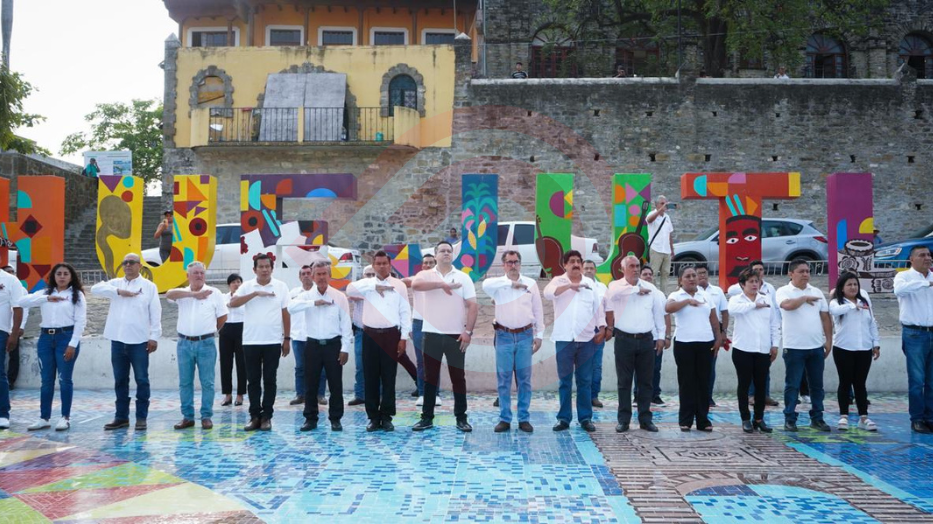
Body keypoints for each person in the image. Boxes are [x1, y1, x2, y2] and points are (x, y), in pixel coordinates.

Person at [411, 241, 478, 432]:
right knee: (430, 378)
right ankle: (426, 418)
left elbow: (473, 305)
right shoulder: (425, 275)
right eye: (442, 251)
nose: (446, 253)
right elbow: (415, 285)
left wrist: (468, 332)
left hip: (455, 335)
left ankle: (461, 418)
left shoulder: (463, 277)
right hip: (431, 334)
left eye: (449, 251)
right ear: (435, 255)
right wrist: (442, 284)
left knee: (458, 378)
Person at [91, 253, 162, 431]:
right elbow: (95, 289)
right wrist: (118, 292)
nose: (128, 265)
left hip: (139, 341)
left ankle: (141, 418)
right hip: (117, 340)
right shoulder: (115, 283)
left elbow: (156, 313)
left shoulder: (149, 286)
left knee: (142, 380)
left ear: (140, 266)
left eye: (131, 262)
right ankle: (121, 417)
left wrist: (154, 337)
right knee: (120, 380)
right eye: (125, 262)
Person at [348, 251, 411, 432]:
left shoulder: (399, 285)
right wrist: (374, 286)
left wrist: (403, 338)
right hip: (370, 335)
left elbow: (405, 311)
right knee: (370, 377)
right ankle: (373, 417)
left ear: (390, 265)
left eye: (385, 263)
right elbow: (350, 289)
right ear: (374, 265)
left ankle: (387, 416)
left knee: (389, 377)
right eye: (378, 263)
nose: (382, 266)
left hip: (391, 335)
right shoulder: (366, 284)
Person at [544, 251, 606, 432]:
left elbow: (598, 309)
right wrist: (570, 286)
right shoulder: (558, 281)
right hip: (564, 339)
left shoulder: (590, 284)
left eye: (578, 261)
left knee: (585, 381)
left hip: (586, 340)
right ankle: (563, 419)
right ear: (565, 265)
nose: (576, 264)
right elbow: (548, 293)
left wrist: (602, 328)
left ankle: (585, 418)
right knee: (565, 381)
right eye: (572, 261)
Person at [17, 264, 84, 431]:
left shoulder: (76, 295)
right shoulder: (44, 293)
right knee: (46, 380)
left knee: (64, 379)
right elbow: (22, 302)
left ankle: (65, 417)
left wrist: (72, 344)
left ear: (71, 276)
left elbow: (80, 321)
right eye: (58, 273)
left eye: (66, 274)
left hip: (66, 337)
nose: (62, 277)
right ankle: (44, 417)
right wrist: (46, 299)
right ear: (53, 276)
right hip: (46, 338)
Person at [483, 250, 544, 433]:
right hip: (504, 335)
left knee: (524, 379)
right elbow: (485, 284)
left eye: (516, 262)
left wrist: (539, 335)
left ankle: (524, 418)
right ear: (503, 265)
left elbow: (538, 310)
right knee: (504, 379)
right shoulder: (497, 285)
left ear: (520, 263)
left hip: (525, 335)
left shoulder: (531, 283)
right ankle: (505, 418)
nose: (513, 265)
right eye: (509, 262)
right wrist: (511, 284)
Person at [229, 253, 290, 432]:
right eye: (261, 267)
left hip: (273, 341)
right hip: (251, 341)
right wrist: (255, 293)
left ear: (272, 268)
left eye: (267, 266)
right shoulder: (247, 286)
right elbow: (233, 303)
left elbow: (286, 313)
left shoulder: (281, 286)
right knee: (253, 381)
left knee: (270, 380)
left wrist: (287, 338)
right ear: (254, 269)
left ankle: (266, 417)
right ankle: (254, 416)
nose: (264, 270)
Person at [288, 261, 352, 432]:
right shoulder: (306, 296)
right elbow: (291, 308)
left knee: (335, 384)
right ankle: (310, 419)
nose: (322, 277)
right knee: (310, 384)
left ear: (329, 276)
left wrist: (345, 348)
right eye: (318, 274)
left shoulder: (339, 296)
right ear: (313, 276)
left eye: (324, 274)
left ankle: (335, 419)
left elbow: (346, 323)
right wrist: (313, 303)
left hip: (333, 345)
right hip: (312, 345)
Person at [605, 256, 666, 433]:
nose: (636, 269)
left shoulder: (651, 288)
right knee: (624, 382)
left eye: (637, 266)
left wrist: (661, 337)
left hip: (646, 339)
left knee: (646, 382)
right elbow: (612, 296)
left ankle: (645, 419)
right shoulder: (615, 285)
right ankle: (624, 420)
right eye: (631, 266)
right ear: (623, 269)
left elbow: (658, 314)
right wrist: (634, 290)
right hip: (624, 339)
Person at [166, 262, 227, 430]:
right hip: (184, 344)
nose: (199, 275)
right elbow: (168, 294)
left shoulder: (214, 293)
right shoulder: (182, 293)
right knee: (185, 382)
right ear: (188, 276)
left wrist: (211, 331)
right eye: (195, 273)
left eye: (202, 273)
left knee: (207, 382)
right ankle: (187, 417)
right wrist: (194, 295)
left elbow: (223, 316)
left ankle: (206, 416)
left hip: (206, 343)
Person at [777, 259, 832, 432]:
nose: (805, 274)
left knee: (817, 386)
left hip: (815, 346)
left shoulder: (816, 292)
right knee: (792, 385)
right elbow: (787, 305)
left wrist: (829, 340)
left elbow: (825, 317)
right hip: (794, 347)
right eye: (801, 271)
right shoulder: (783, 291)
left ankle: (817, 418)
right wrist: (804, 298)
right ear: (791, 273)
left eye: (807, 271)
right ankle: (790, 418)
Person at [666, 266, 722, 431]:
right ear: (680, 280)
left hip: (705, 343)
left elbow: (713, 318)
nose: (692, 279)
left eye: (694, 276)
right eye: (688, 276)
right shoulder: (676, 295)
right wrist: (687, 301)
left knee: (704, 382)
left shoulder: (705, 295)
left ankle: (703, 420)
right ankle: (686, 419)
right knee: (687, 382)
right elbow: (668, 308)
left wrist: (718, 337)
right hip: (684, 343)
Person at [728, 268, 780, 433]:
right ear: (742, 284)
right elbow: (733, 310)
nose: (754, 284)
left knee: (761, 385)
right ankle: (745, 418)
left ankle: (759, 418)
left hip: (762, 349)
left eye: (756, 281)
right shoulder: (737, 299)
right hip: (743, 348)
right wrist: (753, 305)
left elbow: (774, 324)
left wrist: (775, 345)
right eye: (751, 281)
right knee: (744, 385)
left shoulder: (766, 299)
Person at [830, 271, 880, 431]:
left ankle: (863, 417)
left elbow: (872, 322)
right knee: (845, 382)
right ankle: (843, 416)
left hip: (864, 348)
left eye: (855, 284)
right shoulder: (836, 303)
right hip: (843, 348)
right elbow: (835, 311)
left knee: (860, 383)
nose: (853, 287)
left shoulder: (864, 301)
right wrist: (853, 306)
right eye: (849, 284)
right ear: (842, 288)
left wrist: (876, 343)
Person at [893, 245, 933, 433]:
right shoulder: (904, 276)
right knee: (917, 379)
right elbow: (899, 291)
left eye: (929, 255)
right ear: (912, 259)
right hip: (914, 333)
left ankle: (930, 417)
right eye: (922, 255)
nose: (927, 258)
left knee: (932, 380)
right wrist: (926, 284)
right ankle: (917, 418)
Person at [288, 265, 328, 408]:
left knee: (321, 367)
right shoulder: (293, 293)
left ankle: (320, 394)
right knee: (300, 367)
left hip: (316, 335)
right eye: (303, 273)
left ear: (312, 276)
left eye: (308, 273)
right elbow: (290, 309)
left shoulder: (320, 292)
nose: (306, 275)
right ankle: (300, 394)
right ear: (299, 277)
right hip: (298, 335)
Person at [406, 254, 442, 407]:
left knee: (434, 360)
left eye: (431, 263)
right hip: (419, 323)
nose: (427, 265)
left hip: (435, 322)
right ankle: (422, 393)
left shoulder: (440, 280)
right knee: (421, 361)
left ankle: (435, 394)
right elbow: (403, 282)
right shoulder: (417, 279)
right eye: (425, 263)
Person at [634, 265, 671, 405]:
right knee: (639, 369)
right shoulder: (634, 292)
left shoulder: (659, 294)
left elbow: (666, 316)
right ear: (640, 276)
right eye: (645, 274)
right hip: (640, 337)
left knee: (656, 368)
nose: (648, 276)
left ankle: (655, 395)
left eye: (650, 274)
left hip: (656, 338)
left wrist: (667, 336)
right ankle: (637, 395)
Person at [696, 264, 729, 407]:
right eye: (699, 273)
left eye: (704, 273)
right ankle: (695, 396)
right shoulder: (691, 292)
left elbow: (724, 312)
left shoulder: (717, 291)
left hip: (714, 333)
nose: (702, 276)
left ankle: (708, 397)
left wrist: (723, 332)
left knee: (710, 366)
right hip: (697, 332)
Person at [347, 265, 375, 406]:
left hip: (377, 332)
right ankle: (360, 395)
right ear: (363, 276)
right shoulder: (357, 288)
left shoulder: (379, 289)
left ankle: (377, 395)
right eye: (367, 274)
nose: (370, 277)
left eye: (372, 275)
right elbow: (350, 295)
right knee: (360, 365)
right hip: (360, 331)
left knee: (377, 365)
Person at [582, 260, 608, 408]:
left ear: (595, 270)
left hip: (598, 330)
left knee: (596, 365)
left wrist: (608, 328)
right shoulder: (577, 287)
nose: (588, 271)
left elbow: (608, 308)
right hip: (582, 331)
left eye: (591, 268)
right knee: (582, 365)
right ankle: (583, 396)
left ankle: (594, 396)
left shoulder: (603, 287)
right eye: (586, 268)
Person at [219, 273, 245, 407]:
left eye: (238, 282)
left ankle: (240, 394)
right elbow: (222, 307)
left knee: (242, 363)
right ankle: (227, 394)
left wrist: (232, 304)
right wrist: (230, 303)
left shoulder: (245, 298)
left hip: (242, 329)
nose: (236, 284)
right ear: (229, 285)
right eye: (233, 282)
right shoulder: (223, 297)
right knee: (225, 363)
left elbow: (233, 306)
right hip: (226, 329)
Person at [2, 266, 26, 389]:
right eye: (9, 271)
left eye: (13, 271)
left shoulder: (13, 282)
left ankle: (10, 382)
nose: (11, 273)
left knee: (11, 358)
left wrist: (16, 331)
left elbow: (21, 309)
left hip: (7, 330)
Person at [646, 195, 674, 293]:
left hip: (666, 250)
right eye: (662, 203)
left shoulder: (667, 217)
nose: (664, 205)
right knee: (653, 273)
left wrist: (672, 250)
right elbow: (649, 220)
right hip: (656, 248)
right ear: (656, 204)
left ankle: (664, 294)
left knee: (665, 273)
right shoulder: (652, 214)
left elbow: (669, 234)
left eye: (665, 203)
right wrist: (660, 211)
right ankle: (654, 294)